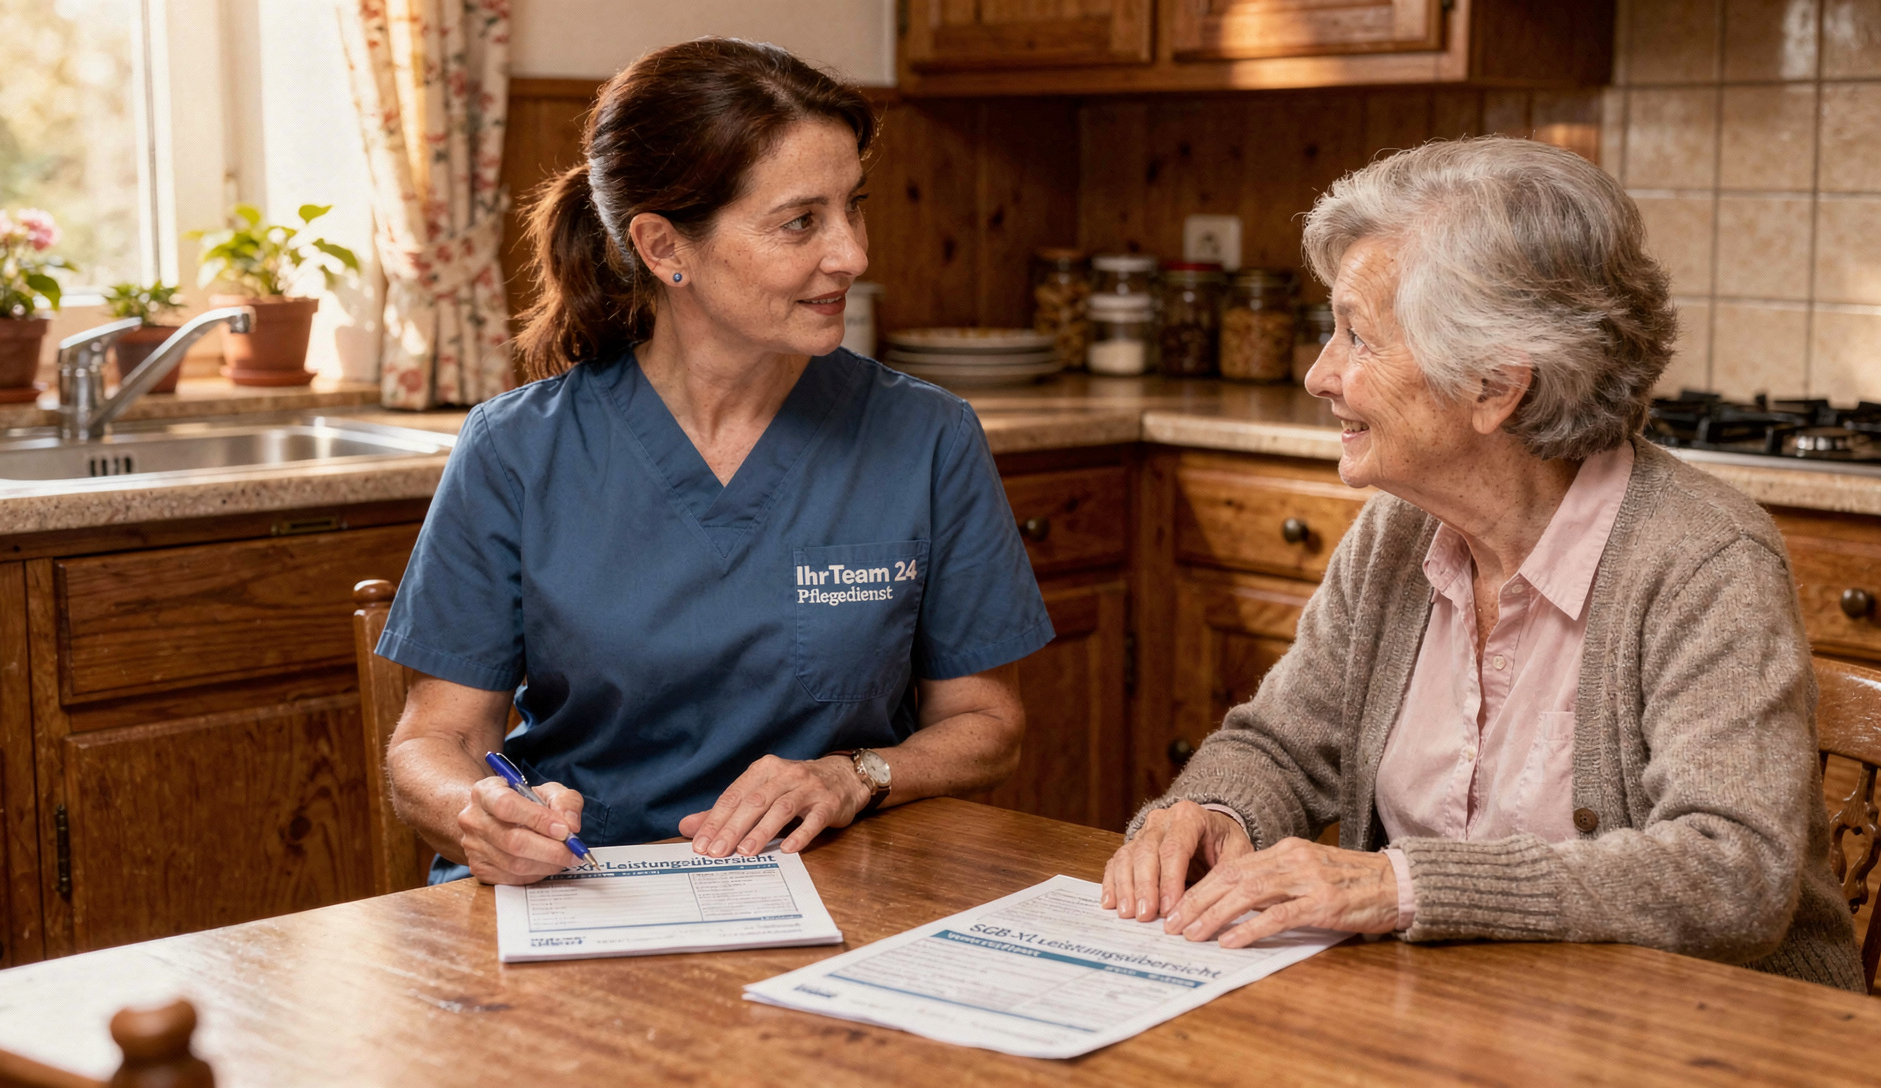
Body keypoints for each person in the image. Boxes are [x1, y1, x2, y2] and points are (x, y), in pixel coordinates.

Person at [1102, 137, 1865, 991]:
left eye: (1358, 337)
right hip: (1467, 1015)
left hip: (1715, 1032)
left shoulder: (1704, 562)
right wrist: (1214, 811)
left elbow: (1734, 874)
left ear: (1495, 386)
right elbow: (1282, 746)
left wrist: (1401, 887)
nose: (1320, 374)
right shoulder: (1398, 534)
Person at [378, 38, 1053, 886]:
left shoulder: (929, 437)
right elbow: (434, 742)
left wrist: (855, 776)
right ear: (665, 248)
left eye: (853, 207)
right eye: (801, 222)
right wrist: (479, 815)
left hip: (835, 890)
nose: (852, 254)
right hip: (580, 894)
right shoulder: (515, 450)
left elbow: (988, 724)